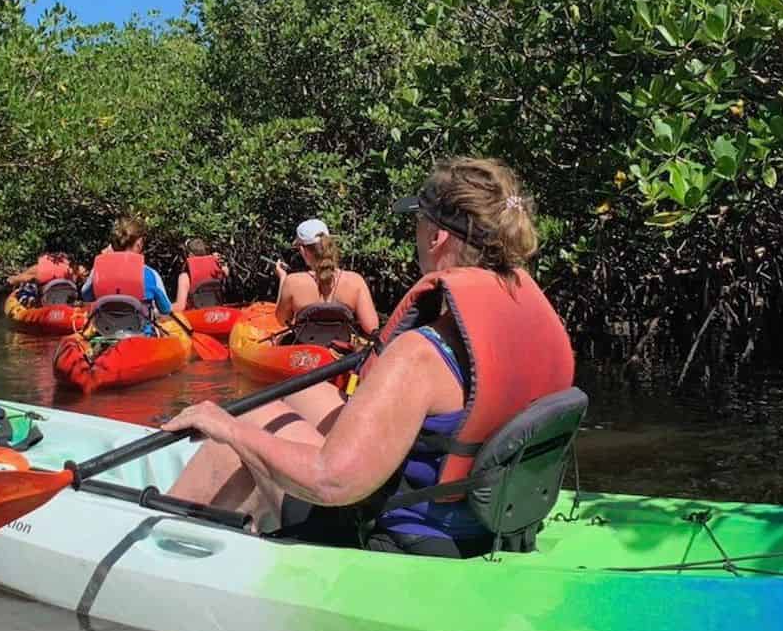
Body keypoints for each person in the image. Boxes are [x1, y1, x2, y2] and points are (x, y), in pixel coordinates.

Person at [163, 157, 575, 558]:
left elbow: (332, 483)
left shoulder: (421, 353)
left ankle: (161, 545)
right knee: (311, 393)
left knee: (248, 421)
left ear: (437, 237)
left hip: (403, 538)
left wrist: (226, 428)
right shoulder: (529, 317)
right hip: (484, 518)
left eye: (418, 221)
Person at [273, 219, 379, 336]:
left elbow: (281, 321)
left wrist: (283, 279)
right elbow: (372, 327)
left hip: (304, 350)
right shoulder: (355, 280)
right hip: (342, 351)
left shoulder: (292, 281)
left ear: (303, 250)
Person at [80, 216, 173, 329]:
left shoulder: (98, 272)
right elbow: (165, 309)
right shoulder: (150, 274)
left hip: (106, 334)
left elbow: (86, 296)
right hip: (141, 336)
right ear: (139, 244)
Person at [174, 237, 231, 310]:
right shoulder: (217, 270)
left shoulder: (185, 277)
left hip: (196, 316)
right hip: (216, 315)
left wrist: (159, 310)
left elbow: (180, 307)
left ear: (190, 255)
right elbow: (226, 272)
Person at [6, 251, 84, 288]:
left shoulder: (44, 265)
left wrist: (15, 279)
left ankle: (15, 280)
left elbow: (29, 277)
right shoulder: (66, 264)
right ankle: (16, 280)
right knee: (28, 276)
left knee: (27, 276)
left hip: (46, 278)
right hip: (63, 283)